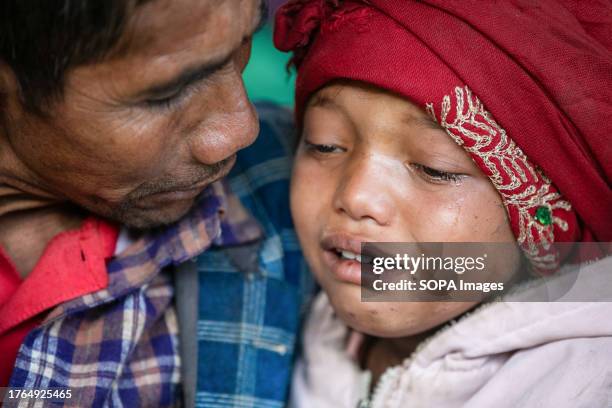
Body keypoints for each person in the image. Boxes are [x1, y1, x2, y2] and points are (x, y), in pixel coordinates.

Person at [273, 0, 612, 406]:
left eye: (433, 169)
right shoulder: (299, 321)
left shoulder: (585, 386)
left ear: (545, 218)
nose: (355, 196)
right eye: (325, 144)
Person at [0, 0, 311, 406]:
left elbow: (418, 276)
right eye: (166, 93)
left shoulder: (293, 175)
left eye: (244, 41)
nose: (241, 127)